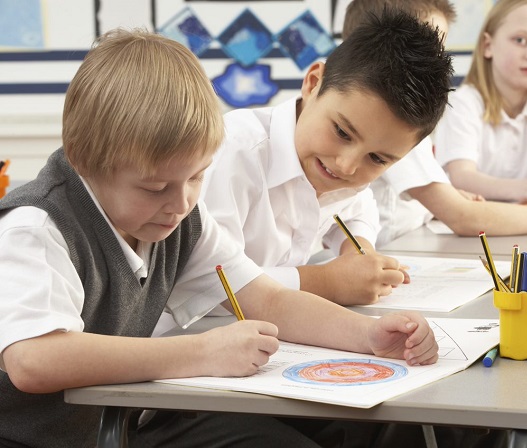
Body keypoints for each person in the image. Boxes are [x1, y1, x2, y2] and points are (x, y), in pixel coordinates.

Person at [0, 28, 441, 448]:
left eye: (197, 177)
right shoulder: (36, 227)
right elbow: (32, 361)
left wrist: (368, 336)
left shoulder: (177, 219)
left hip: (130, 420)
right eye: (155, 188)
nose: (182, 202)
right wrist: (201, 352)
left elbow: (266, 299)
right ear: (83, 159)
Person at [201, 7, 453, 306]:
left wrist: (359, 250)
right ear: (312, 83)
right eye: (342, 133)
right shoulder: (235, 152)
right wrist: (325, 282)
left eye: (378, 159)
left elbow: (358, 209)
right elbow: (207, 283)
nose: (347, 165)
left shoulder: (335, 167)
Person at [343, 0, 527, 246]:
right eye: (426, 52)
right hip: (390, 250)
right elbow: (463, 218)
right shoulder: (386, 118)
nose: (438, 65)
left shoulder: (399, 111)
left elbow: (412, 199)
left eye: (440, 52)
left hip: (409, 243)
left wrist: (440, 202)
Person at [434, 0, 527, 205]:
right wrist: (520, 188)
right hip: (464, 225)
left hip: (518, 225)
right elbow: (462, 177)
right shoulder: (464, 103)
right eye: (520, 40)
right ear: (488, 46)